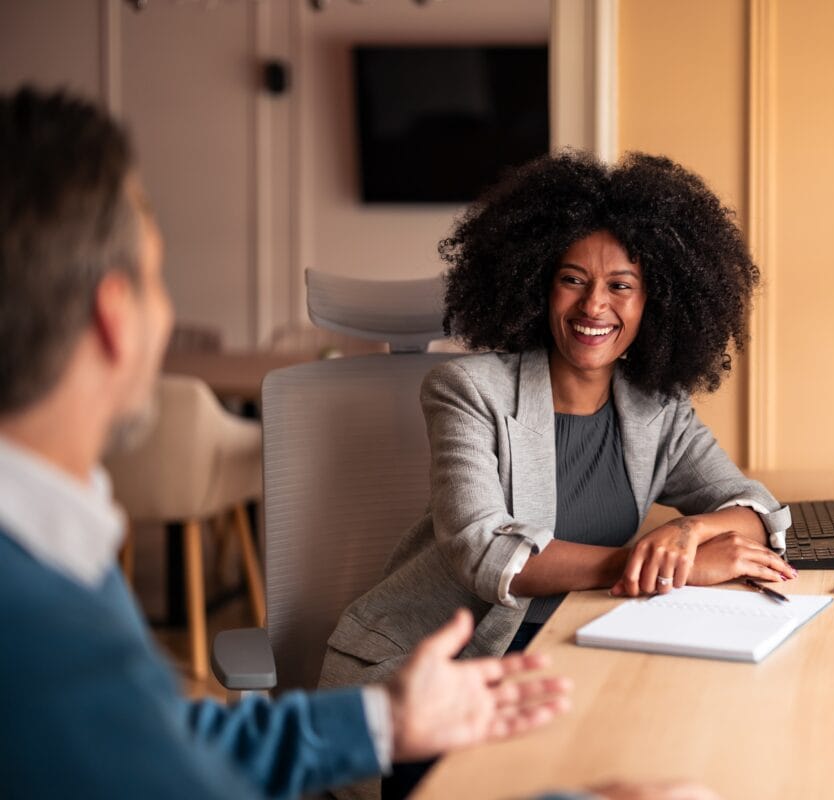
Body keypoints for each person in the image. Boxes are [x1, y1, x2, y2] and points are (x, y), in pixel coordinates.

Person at [0, 86, 575, 799]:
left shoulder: (50, 548)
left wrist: (383, 721)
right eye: (156, 276)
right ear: (114, 316)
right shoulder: (42, 628)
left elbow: (168, 746)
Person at [321, 151, 795, 696]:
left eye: (621, 285)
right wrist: (670, 567)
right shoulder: (468, 390)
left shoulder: (655, 408)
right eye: (573, 279)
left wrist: (688, 532)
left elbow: (755, 508)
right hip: (430, 674)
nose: (594, 305)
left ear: (654, 303)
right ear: (539, 286)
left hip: (576, 644)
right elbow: (486, 552)